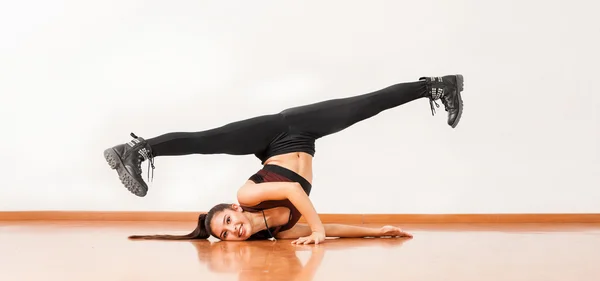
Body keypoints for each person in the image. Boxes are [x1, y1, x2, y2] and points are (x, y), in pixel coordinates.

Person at [104, 75, 464, 244]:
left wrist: (318, 230)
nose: (233, 228)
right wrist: (377, 232)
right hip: (304, 139)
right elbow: (331, 229)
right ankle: (133, 151)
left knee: (208, 140)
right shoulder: (286, 230)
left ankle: (140, 149)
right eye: (226, 234)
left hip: (282, 129)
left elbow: (293, 189)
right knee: (365, 108)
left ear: (235, 208)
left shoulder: (247, 196)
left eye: (227, 220)